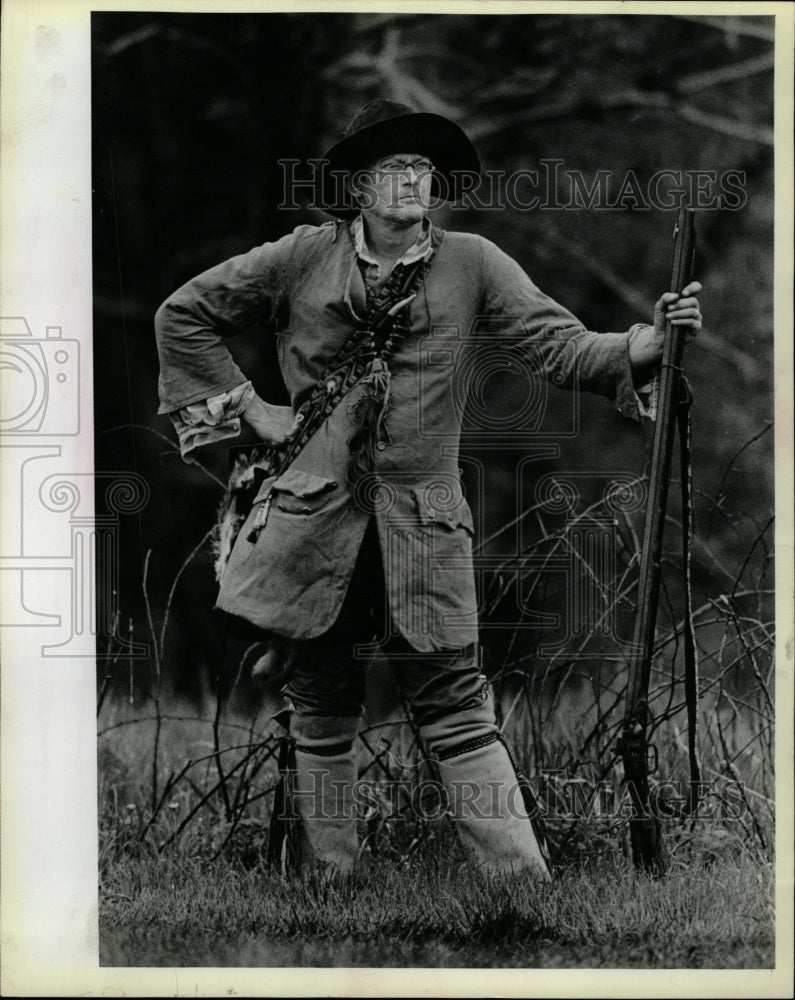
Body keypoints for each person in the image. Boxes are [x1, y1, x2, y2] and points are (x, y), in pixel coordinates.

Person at [155, 99, 702, 880]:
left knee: (453, 699)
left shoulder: (473, 261)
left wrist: (642, 344)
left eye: (422, 166)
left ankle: (522, 887)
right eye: (392, 165)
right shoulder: (300, 259)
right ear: (356, 184)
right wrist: (253, 411)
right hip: (312, 522)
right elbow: (184, 316)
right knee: (320, 697)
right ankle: (331, 882)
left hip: (425, 522)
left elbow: (559, 346)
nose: (412, 177)